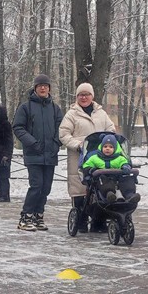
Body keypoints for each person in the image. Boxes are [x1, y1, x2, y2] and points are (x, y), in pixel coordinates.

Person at [60, 82, 117, 232]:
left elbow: (111, 129)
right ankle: (81, 221)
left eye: (87, 94)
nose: (84, 97)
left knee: (100, 188)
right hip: (79, 156)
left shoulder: (101, 113)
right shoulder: (71, 114)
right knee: (79, 188)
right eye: (81, 95)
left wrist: (107, 142)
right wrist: (78, 145)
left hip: (100, 157)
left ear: (92, 96)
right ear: (77, 97)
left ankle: (99, 222)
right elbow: (64, 134)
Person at [12, 74, 63, 231]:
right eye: (40, 85)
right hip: (33, 154)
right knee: (36, 185)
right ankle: (25, 217)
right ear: (35, 88)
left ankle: (38, 215)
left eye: (46, 85)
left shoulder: (55, 109)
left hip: (50, 155)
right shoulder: (26, 107)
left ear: (49, 88)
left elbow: (62, 129)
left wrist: (56, 144)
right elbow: (18, 127)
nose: (43, 88)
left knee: (46, 187)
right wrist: (32, 143)